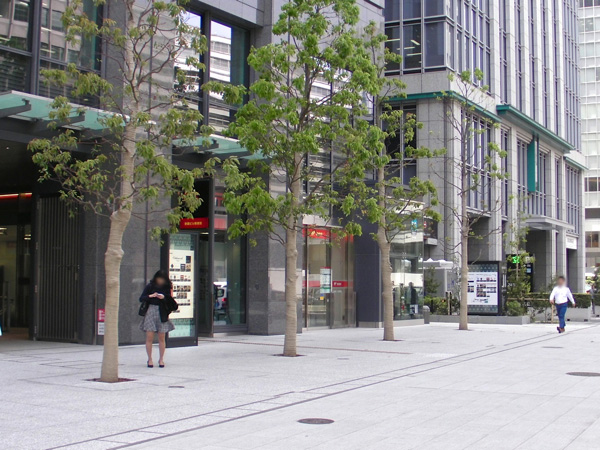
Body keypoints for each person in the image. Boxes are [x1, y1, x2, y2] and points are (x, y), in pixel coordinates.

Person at [139, 270, 178, 367]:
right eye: (159, 279)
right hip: (151, 311)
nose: (160, 281)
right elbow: (141, 298)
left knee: (162, 337)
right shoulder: (150, 286)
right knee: (149, 337)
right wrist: (151, 296)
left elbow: (170, 301)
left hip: (162, 312)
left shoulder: (167, 287)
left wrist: (163, 297)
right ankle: (150, 359)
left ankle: (161, 359)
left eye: (162, 279)